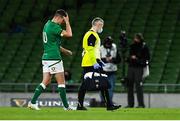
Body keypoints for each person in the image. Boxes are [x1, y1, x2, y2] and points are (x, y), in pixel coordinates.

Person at [28, 9, 73, 110]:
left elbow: (53, 44)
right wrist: (67, 22)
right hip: (54, 58)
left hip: (46, 57)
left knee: (46, 81)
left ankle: (32, 102)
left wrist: (66, 51)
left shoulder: (47, 25)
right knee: (61, 83)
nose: (62, 23)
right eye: (63, 20)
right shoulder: (54, 27)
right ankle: (67, 107)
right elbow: (69, 34)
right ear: (60, 17)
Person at [77, 17, 121, 111]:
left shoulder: (92, 34)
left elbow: (93, 51)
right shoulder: (91, 35)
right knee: (90, 84)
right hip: (90, 63)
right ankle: (108, 105)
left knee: (101, 82)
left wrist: (98, 60)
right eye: (101, 25)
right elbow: (90, 50)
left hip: (92, 62)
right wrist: (94, 62)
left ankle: (108, 105)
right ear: (97, 24)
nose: (102, 27)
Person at [126, 33, 150, 108]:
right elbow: (129, 56)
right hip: (131, 67)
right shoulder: (132, 46)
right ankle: (130, 104)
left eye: (136, 38)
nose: (135, 40)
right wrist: (131, 58)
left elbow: (147, 58)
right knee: (130, 86)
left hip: (139, 68)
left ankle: (141, 104)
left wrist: (137, 59)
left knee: (138, 86)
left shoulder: (144, 46)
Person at [100, 36, 121, 105]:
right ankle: (103, 102)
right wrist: (105, 60)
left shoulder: (114, 47)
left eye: (110, 44)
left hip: (112, 71)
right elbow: (97, 60)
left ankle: (109, 102)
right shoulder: (100, 48)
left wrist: (112, 60)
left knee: (111, 88)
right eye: (107, 44)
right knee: (102, 87)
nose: (108, 45)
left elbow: (119, 59)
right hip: (103, 71)